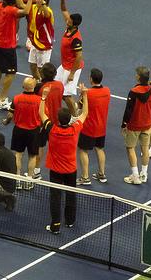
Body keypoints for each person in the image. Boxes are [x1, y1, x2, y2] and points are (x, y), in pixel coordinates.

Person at [40, 83, 89, 234]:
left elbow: (42, 114)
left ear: (58, 120)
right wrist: (85, 95)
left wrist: (43, 97)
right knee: (71, 193)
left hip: (55, 170)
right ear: (69, 120)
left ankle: (55, 225)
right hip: (71, 170)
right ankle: (70, 221)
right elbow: (84, 113)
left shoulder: (52, 129)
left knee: (55, 197)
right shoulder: (75, 129)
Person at [121, 66, 151, 185]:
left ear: (138, 77)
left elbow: (128, 110)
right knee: (145, 148)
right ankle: (144, 174)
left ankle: (135, 176)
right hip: (147, 125)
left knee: (130, 148)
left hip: (134, 126)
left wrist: (124, 124)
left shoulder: (133, 92)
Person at [2, 77, 41, 190]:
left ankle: (17, 179)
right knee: (32, 156)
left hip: (19, 130)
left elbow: (10, 114)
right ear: (33, 87)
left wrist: (6, 121)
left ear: (23, 87)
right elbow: (43, 116)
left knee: (18, 155)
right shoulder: (39, 100)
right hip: (33, 131)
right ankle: (29, 180)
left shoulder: (17, 98)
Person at [76, 68, 111, 185]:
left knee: (83, 150)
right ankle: (101, 174)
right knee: (100, 149)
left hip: (88, 128)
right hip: (102, 128)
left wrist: (82, 93)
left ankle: (85, 177)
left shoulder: (88, 93)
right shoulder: (107, 91)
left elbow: (79, 107)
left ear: (91, 79)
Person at [33, 62, 64, 180]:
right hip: (57, 122)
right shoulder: (60, 85)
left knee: (40, 146)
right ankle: (59, 168)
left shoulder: (39, 87)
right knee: (55, 147)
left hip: (42, 122)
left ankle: (36, 170)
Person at [56, 0, 84, 116]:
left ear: (75, 24)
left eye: (70, 20)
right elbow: (64, 9)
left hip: (72, 68)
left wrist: (72, 73)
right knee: (57, 88)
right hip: (64, 66)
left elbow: (79, 57)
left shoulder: (76, 39)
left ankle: (75, 117)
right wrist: (62, 0)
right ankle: (75, 107)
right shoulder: (69, 27)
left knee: (66, 95)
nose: (67, 20)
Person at [27, 0, 54, 81]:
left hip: (44, 44)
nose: (36, 0)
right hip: (35, 41)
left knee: (42, 70)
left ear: (44, 2)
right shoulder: (35, 8)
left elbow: (47, 14)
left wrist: (42, 3)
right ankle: (38, 82)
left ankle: (44, 85)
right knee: (32, 65)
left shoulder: (47, 11)